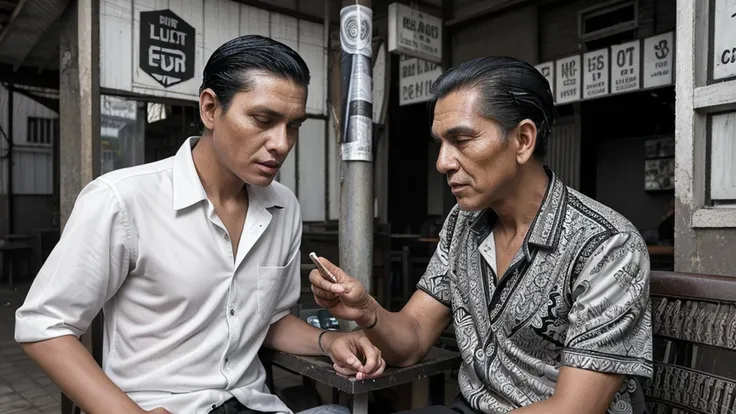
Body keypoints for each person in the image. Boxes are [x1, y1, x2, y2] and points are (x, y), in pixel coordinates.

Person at [15, 35, 384, 414]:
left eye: (294, 126)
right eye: (264, 120)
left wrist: (328, 341)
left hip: (253, 405)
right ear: (210, 109)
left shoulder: (282, 207)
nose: (281, 143)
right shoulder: (122, 200)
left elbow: (267, 322)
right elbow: (44, 325)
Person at [310, 57, 653, 414]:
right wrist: (367, 311)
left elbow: (574, 409)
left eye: (462, 139)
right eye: (440, 143)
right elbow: (411, 339)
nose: (443, 162)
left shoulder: (606, 246)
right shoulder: (464, 222)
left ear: (522, 140)